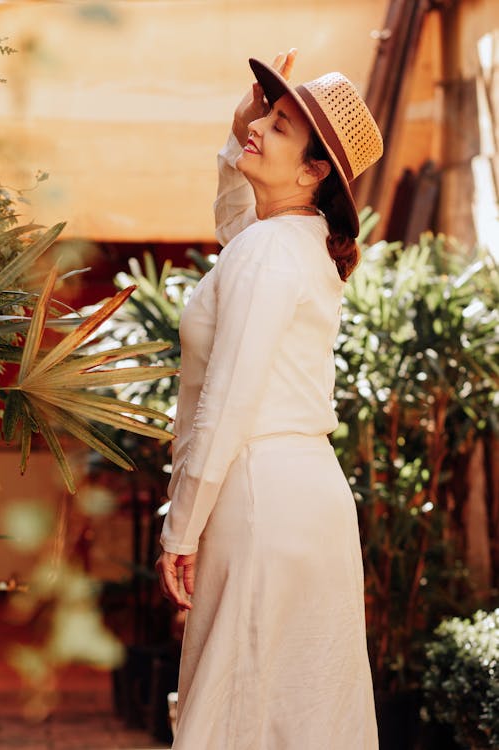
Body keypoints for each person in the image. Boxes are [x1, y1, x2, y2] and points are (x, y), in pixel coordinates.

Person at [156, 49, 383, 749]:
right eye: (268, 114)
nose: (261, 127)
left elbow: (228, 401)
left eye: (279, 127)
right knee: (298, 712)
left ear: (315, 172)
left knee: (243, 714)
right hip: (300, 501)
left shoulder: (269, 252)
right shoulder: (293, 242)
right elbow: (238, 235)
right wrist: (240, 133)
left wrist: (180, 529)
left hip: (258, 499)